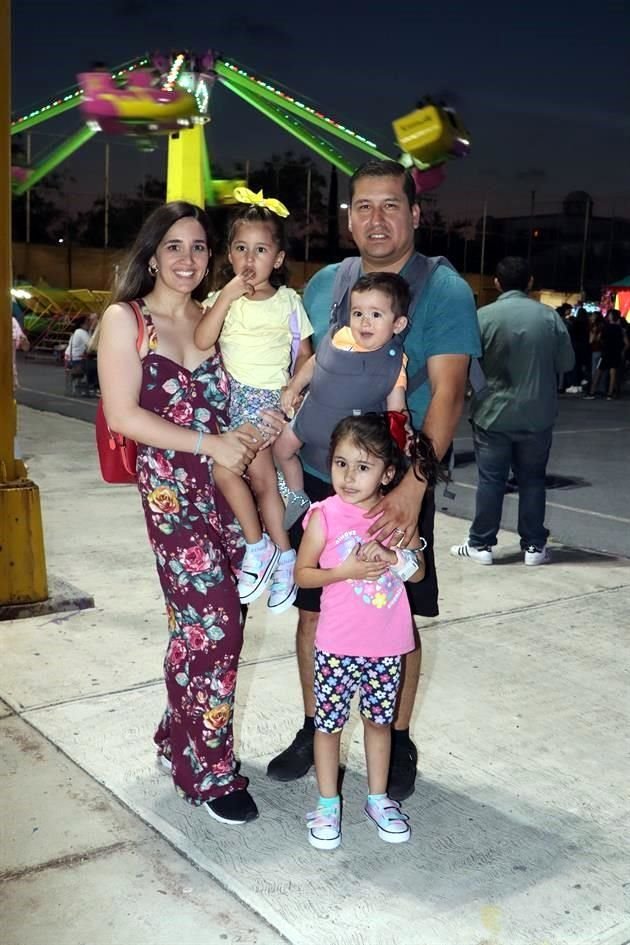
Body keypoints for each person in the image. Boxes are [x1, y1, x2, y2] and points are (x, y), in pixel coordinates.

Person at [266, 158, 481, 801]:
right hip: (321, 476)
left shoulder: (442, 290)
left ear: (415, 214)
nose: (375, 219)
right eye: (362, 206)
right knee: (314, 611)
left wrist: (414, 483)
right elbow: (308, 369)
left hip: (396, 481)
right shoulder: (327, 283)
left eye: (390, 205)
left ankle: (398, 735)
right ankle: (316, 725)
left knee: (399, 616)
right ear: (349, 216)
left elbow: (446, 393)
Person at [98, 200, 282, 826]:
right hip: (173, 494)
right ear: (152, 254)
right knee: (215, 627)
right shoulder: (129, 320)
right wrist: (209, 443)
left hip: (232, 491)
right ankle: (205, 771)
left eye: (200, 247)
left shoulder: (216, 316)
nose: (187, 258)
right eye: (174, 246)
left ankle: (176, 734)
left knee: (208, 625)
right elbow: (125, 415)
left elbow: (244, 397)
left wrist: (268, 420)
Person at [296, 413, 441, 850]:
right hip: (337, 645)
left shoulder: (395, 515)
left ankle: (378, 799)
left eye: (363, 467)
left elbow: (416, 575)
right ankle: (327, 803)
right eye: (341, 464)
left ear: (388, 473)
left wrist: (394, 557)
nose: (349, 477)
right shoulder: (324, 515)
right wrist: (346, 570)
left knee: (379, 724)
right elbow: (303, 575)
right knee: (328, 725)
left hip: (385, 647)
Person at [195, 191, 314, 614]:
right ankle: (278, 553)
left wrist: (291, 402)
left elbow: (304, 355)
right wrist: (225, 297)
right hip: (233, 404)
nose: (250, 259)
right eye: (241, 248)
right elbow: (202, 339)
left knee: (228, 472)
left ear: (278, 259)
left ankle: (261, 547)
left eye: (261, 249)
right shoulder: (219, 301)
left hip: (265, 406)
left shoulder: (288, 302)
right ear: (228, 254)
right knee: (258, 481)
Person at [450, 256, 574, 567]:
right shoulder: (549, 318)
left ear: (496, 282)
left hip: (492, 413)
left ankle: (481, 544)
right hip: (537, 413)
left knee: (491, 480)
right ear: (530, 282)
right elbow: (567, 364)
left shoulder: (483, 317)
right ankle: (534, 546)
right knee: (532, 479)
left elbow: (467, 364)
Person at [274, 271, 411, 526]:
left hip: (350, 441)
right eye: (358, 313)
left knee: (348, 486)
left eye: (376, 315)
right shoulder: (339, 335)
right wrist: (294, 387)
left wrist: (402, 434)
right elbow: (316, 362)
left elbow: (396, 407)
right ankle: (296, 495)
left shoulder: (393, 363)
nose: (364, 322)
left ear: (398, 324)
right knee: (281, 449)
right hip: (309, 421)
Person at [585, 309, 625, 400]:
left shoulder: (606, 327)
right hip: (615, 353)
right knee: (612, 373)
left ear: (611, 316)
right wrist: (621, 351)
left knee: (598, 372)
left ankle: (592, 392)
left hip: (606, 352)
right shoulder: (620, 329)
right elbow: (625, 342)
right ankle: (610, 394)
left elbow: (599, 339)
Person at [11, 315, 30, 387]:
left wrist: (23, 339)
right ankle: (14, 382)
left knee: (11, 363)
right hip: (12, 340)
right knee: (12, 363)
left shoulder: (13, 320)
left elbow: (23, 339)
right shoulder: (13, 320)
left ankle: (14, 382)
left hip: (12, 339)